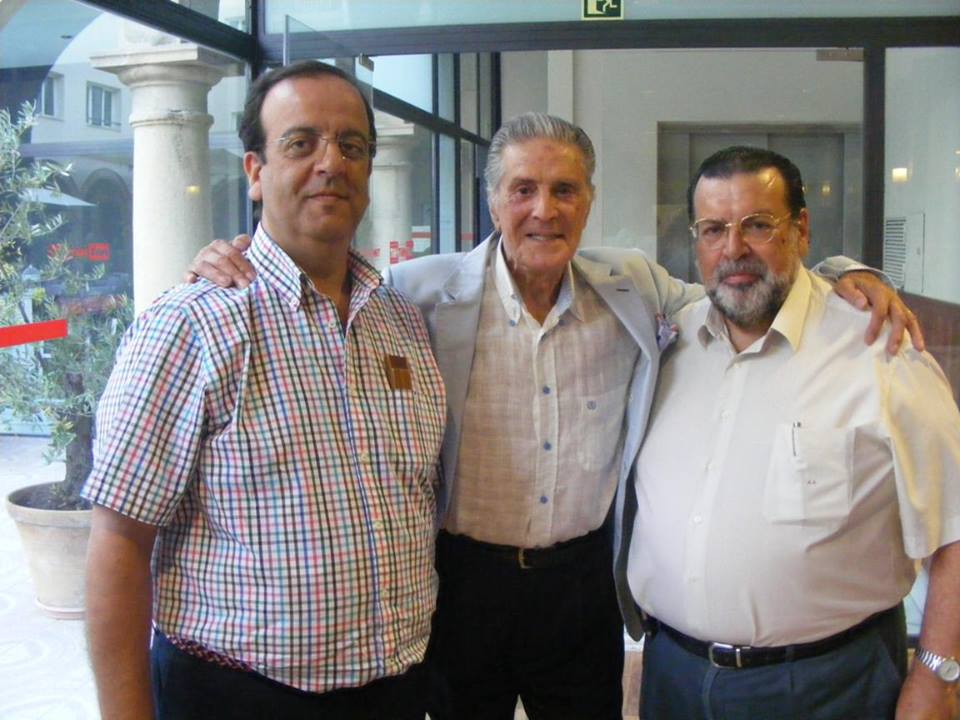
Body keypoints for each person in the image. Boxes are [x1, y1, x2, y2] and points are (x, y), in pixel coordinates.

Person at [188, 114, 920, 719]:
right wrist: (234, 253)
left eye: (565, 189)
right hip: (462, 583)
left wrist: (843, 274)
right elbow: (327, 286)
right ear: (493, 202)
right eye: (524, 189)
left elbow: (740, 287)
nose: (545, 209)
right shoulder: (417, 295)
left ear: (589, 200)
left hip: (580, 585)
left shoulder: (631, 289)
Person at [83, 60, 446, 720]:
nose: (331, 163)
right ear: (255, 171)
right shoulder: (192, 325)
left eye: (352, 145)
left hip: (395, 690)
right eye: (301, 143)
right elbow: (118, 541)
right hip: (234, 697)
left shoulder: (402, 323)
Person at [622, 145, 960, 720]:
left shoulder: (882, 351)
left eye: (758, 225)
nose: (733, 249)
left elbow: (953, 529)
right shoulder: (667, 346)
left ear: (801, 230)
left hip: (829, 685)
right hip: (672, 676)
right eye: (713, 229)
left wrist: (937, 676)